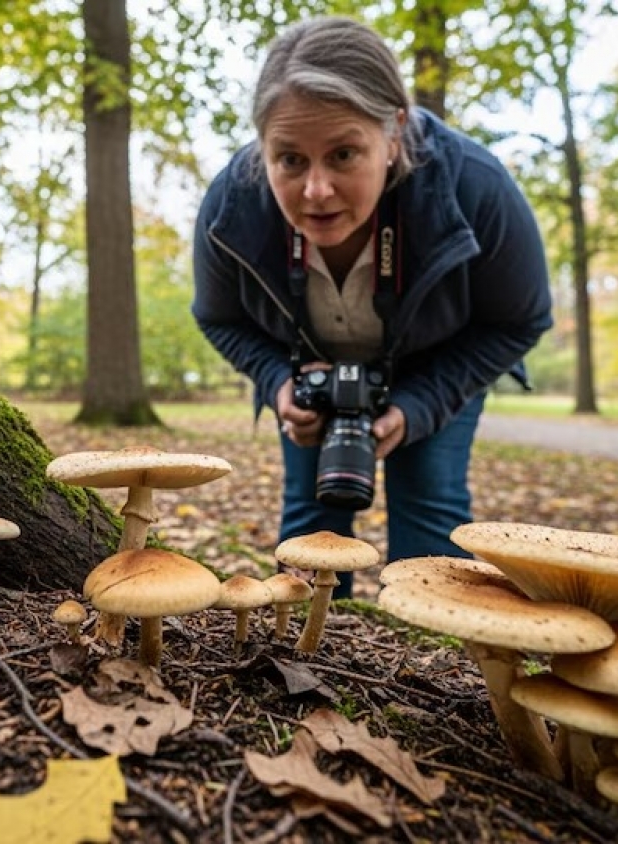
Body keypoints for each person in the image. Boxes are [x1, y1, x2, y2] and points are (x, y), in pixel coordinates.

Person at [191, 17, 553, 598]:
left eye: (343, 154)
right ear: (262, 147)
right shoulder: (231, 207)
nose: (316, 190)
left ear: (395, 132)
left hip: (435, 365)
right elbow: (219, 317)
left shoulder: (474, 187)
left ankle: (430, 647)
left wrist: (422, 404)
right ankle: (307, 649)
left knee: (430, 510)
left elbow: (520, 319)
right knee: (311, 524)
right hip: (309, 373)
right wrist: (278, 383)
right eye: (289, 160)